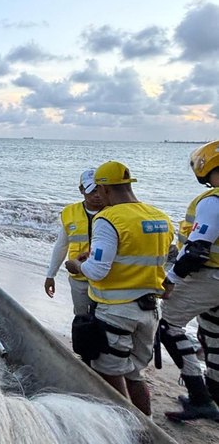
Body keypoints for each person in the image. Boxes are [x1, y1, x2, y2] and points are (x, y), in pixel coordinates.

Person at [65, 161, 172, 415]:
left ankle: (126, 425)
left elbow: (96, 270)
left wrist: (76, 266)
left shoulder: (108, 219)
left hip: (116, 312)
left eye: (99, 191)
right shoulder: (160, 217)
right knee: (135, 373)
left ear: (104, 189)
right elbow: (165, 259)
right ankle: (147, 424)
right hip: (149, 312)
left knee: (108, 372)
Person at [159, 141, 219, 421]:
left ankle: (199, 395)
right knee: (213, 333)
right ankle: (215, 395)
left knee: (169, 326)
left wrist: (171, 278)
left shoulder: (212, 201)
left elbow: (196, 249)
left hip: (208, 276)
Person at [44, 169, 104, 316]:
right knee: (82, 318)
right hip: (79, 278)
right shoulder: (70, 213)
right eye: (91, 190)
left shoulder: (114, 213)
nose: (96, 195)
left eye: (99, 190)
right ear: (81, 190)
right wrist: (51, 275)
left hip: (105, 280)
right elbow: (61, 245)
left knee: (105, 321)